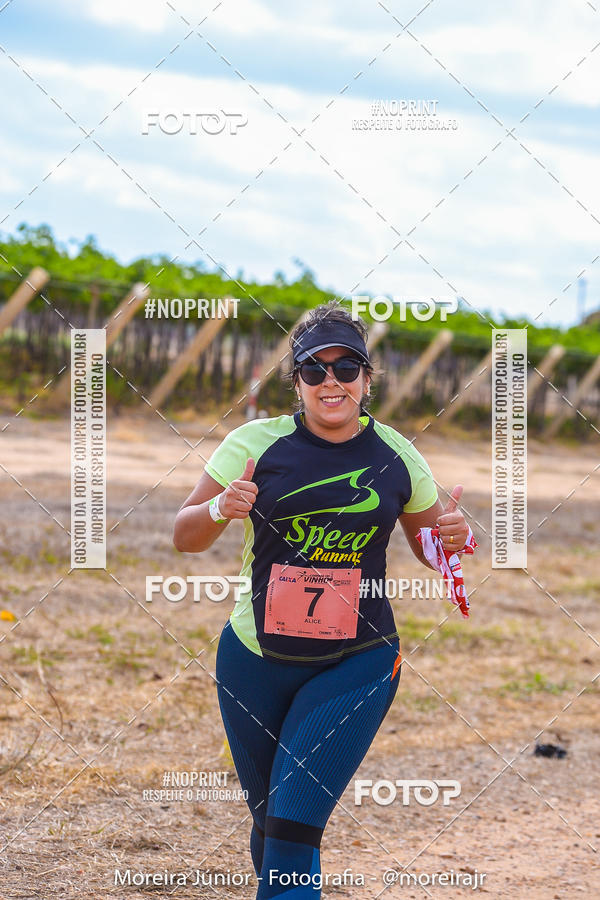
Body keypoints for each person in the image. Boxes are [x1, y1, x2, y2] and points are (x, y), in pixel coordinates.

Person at [173, 302, 471, 898]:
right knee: (271, 823)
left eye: (346, 367)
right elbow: (185, 537)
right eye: (314, 370)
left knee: (292, 827)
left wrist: (454, 540)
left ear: (367, 377)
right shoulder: (253, 443)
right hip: (253, 660)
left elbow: (432, 551)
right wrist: (218, 509)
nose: (330, 382)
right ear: (296, 380)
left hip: (357, 662)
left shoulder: (397, 454)